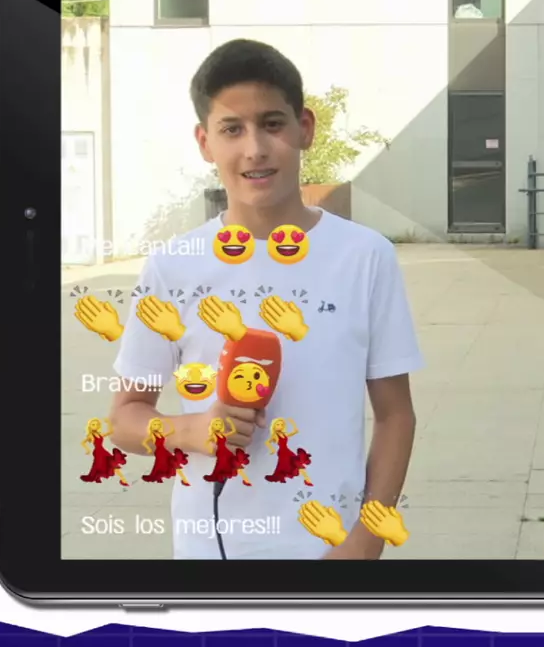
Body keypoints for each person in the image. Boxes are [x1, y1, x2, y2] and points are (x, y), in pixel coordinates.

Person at [106, 38, 423, 560]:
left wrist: (366, 542)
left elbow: (396, 417)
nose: (254, 148)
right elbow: (125, 419)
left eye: (272, 124)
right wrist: (190, 429)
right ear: (205, 142)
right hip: (210, 553)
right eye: (232, 129)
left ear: (305, 128)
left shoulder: (366, 257)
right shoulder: (172, 265)